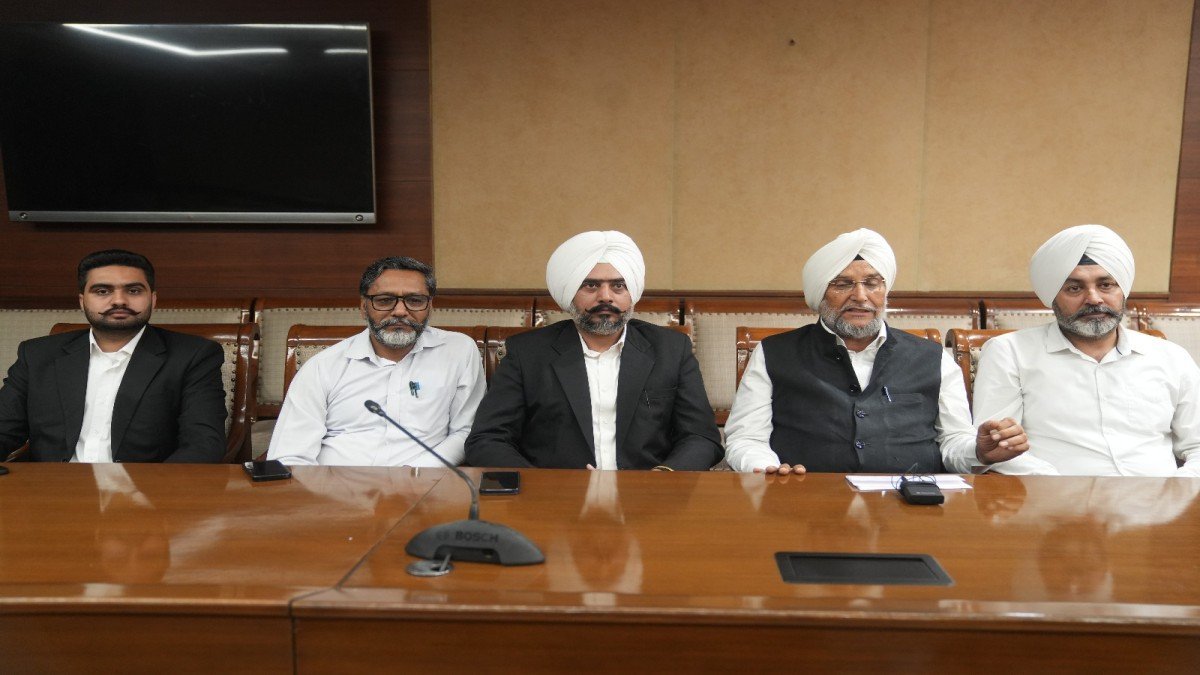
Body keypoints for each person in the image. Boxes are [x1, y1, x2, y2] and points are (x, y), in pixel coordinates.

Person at [724, 228, 1026, 474]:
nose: (860, 296)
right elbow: (746, 438)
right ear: (820, 293)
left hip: (911, 509)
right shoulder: (775, 353)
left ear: (885, 291)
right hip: (806, 503)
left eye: (872, 284)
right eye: (842, 284)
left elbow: (953, 443)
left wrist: (979, 452)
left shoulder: (933, 358)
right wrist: (767, 469)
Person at [465, 230, 721, 470]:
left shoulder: (671, 350)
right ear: (570, 293)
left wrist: (661, 478)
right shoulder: (528, 353)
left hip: (648, 494)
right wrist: (541, 487)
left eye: (618, 286)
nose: (605, 297)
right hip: (556, 498)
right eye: (590, 285)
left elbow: (701, 437)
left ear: (631, 292)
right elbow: (488, 439)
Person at [972, 224, 1200, 476]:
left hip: (1161, 497)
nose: (1093, 298)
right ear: (1052, 296)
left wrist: (1177, 490)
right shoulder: (1010, 353)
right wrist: (1060, 489)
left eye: (1106, 285)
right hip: (1053, 497)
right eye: (1074, 288)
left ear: (1122, 290)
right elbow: (997, 450)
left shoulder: (1171, 357)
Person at [0, 249, 226, 462]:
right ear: (82, 301)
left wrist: (154, 488)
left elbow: (203, 444)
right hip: (50, 485)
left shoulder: (194, 356)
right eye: (102, 291)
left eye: (133, 291)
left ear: (153, 299)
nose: (119, 300)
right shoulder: (38, 355)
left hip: (145, 487)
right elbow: (4, 428)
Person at [268, 256, 485, 466]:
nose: (400, 311)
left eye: (415, 300)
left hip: (424, 483)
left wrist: (415, 475)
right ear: (364, 307)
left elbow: (466, 431)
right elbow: (290, 456)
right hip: (336, 485)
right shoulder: (322, 367)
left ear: (430, 306)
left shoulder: (458, 351)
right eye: (385, 300)